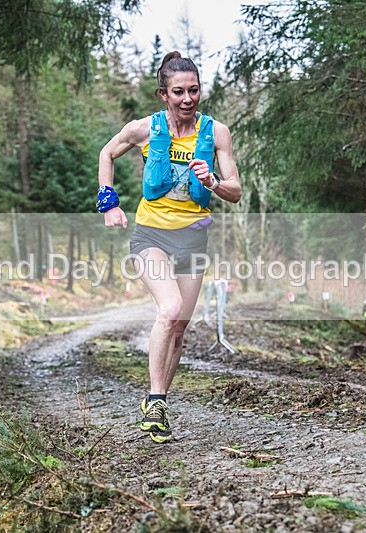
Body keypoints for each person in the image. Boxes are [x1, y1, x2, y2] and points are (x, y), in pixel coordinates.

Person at [97, 51, 241, 443]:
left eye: (194, 90)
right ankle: (156, 401)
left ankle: (158, 398)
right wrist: (109, 203)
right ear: (164, 94)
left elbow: (236, 191)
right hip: (152, 236)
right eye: (178, 91)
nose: (187, 99)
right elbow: (107, 153)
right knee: (170, 308)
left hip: (193, 237)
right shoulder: (144, 128)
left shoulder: (218, 133)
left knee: (179, 328)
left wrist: (211, 181)